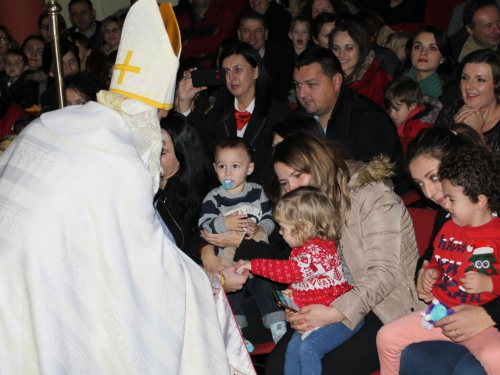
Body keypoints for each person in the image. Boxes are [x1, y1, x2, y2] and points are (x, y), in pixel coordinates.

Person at [0, 1, 255, 373]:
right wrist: (211, 287)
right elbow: (152, 272)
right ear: (148, 117)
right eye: (161, 116)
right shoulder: (121, 159)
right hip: (40, 283)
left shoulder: (60, 120)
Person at [260, 133, 425, 374]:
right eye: (285, 183)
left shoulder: (371, 194)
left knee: (326, 367)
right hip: (334, 297)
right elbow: (311, 267)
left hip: (383, 305)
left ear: (319, 165)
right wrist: (299, 299)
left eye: (298, 175)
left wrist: (335, 312)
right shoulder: (309, 207)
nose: (292, 187)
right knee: (277, 366)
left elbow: (384, 275)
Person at [377, 145, 500, 374]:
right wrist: (430, 273)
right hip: (440, 311)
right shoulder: (448, 226)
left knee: (495, 357)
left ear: (480, 201)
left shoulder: (496, 234)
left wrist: (490, 284)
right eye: (420, 184)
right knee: (386, 336)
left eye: (452, 199)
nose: (443, 203)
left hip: (481, 321)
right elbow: (434, 259)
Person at [237, 186, 363, 375]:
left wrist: (253, 265)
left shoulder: (318, 251)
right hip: (319, 316)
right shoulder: (305, 249)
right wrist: (293, 292)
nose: (280, 233)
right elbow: (308, 279)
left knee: (308, 349)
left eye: (284, 228)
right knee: (292, 351)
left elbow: (291, 272)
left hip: (341, 318)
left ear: (302, 229)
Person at [199, 137, 286, 352]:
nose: (228, 173)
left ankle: (277, 324)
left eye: (235, 166)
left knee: (265, 284)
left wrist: (262, 229)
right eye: (222, 166)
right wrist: (224, 222)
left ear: (250, 168)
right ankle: (236, 332)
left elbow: (269, 217)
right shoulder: (214, 197)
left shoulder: (257, 192)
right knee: (232, 294)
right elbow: (204, 225)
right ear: (214, 168)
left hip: (255, 255)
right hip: (229, 259)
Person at [292, 47, 404, 191]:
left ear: (336, 81)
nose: (302, 93)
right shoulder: (295, 120)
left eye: (311, 85)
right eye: (298, 85)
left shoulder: (369, 119)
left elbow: (369, 183)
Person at [179, 42, 291, 185]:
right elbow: (192, 146)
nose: (232, 77)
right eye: (226, 71)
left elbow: (280, 165)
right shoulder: (220, 109)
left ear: (255, 72)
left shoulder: (278, 112)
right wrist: (184, 102)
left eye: (238, 70)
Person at [156, 112, 216, 253]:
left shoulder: (205, 196)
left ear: (183, 152)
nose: (154, 157)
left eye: (162, 153)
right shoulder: (140, 183)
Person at [436, 48, 500, 152]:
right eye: (465, 78)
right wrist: (455, 131)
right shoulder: (449, 113)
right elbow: (433, 159)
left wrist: (476, 134)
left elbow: (492, 167)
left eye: (480, 80)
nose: (468, 86)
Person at [330, 18, 392, 108]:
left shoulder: (378, 81)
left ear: (361, 49)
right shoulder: (326, 78)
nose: (341, 54)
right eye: (336, 48)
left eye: (349, 48)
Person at [237, 12, 295, 101]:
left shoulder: (281, 57)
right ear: (239, 34)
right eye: (247, 31)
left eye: (258, 31)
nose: (252, 37)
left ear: (266, 34)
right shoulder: (229, 58)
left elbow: (281, 93)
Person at [397, 25, 456, 101]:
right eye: (418, 47)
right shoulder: (399, 80)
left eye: (432, 48)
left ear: (442, 58)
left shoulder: (448, 94)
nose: (423, 52)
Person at [176, 0, 239, 65]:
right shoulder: (180, 16)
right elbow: (176, 48)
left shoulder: (225, 12)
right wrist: (204, 48)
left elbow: (220, 44)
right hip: (187, 68)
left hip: (217, 69)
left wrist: (187, 43)